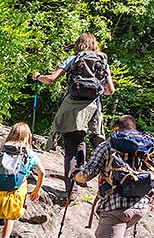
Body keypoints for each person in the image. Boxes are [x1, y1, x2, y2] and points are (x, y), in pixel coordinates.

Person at [31, 33, 114, 192]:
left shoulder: (74, 59)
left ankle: (71, 190)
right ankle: (82, 176)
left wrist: (38, 77)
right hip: (92, 110)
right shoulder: (102, 61)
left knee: (71, 148)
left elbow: (51, 79)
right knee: (82, 143)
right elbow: (110, 90)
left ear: (78, 45)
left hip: (71, 108)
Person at [0, 122, 44, 238]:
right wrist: (36, 190)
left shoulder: (1, 151)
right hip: (17, 192)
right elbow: (42, 172)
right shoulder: (29, 153)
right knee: (9, 218)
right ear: (28, 136)